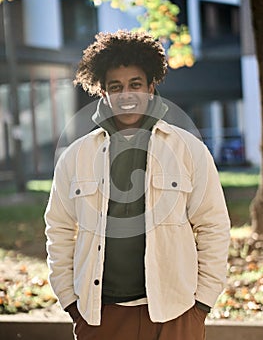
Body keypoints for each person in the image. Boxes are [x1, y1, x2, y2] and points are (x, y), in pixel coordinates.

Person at [44, 30, 230, 340]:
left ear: (151, 87)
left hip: (177, 312)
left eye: (135, 85)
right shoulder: (76, 156)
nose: (126, 95)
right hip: (101, 316)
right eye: (116, 87)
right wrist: (71, 303)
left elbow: (213, 226)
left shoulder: (188, 149)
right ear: (103, 92)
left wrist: (202, 304)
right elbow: (59, 230)